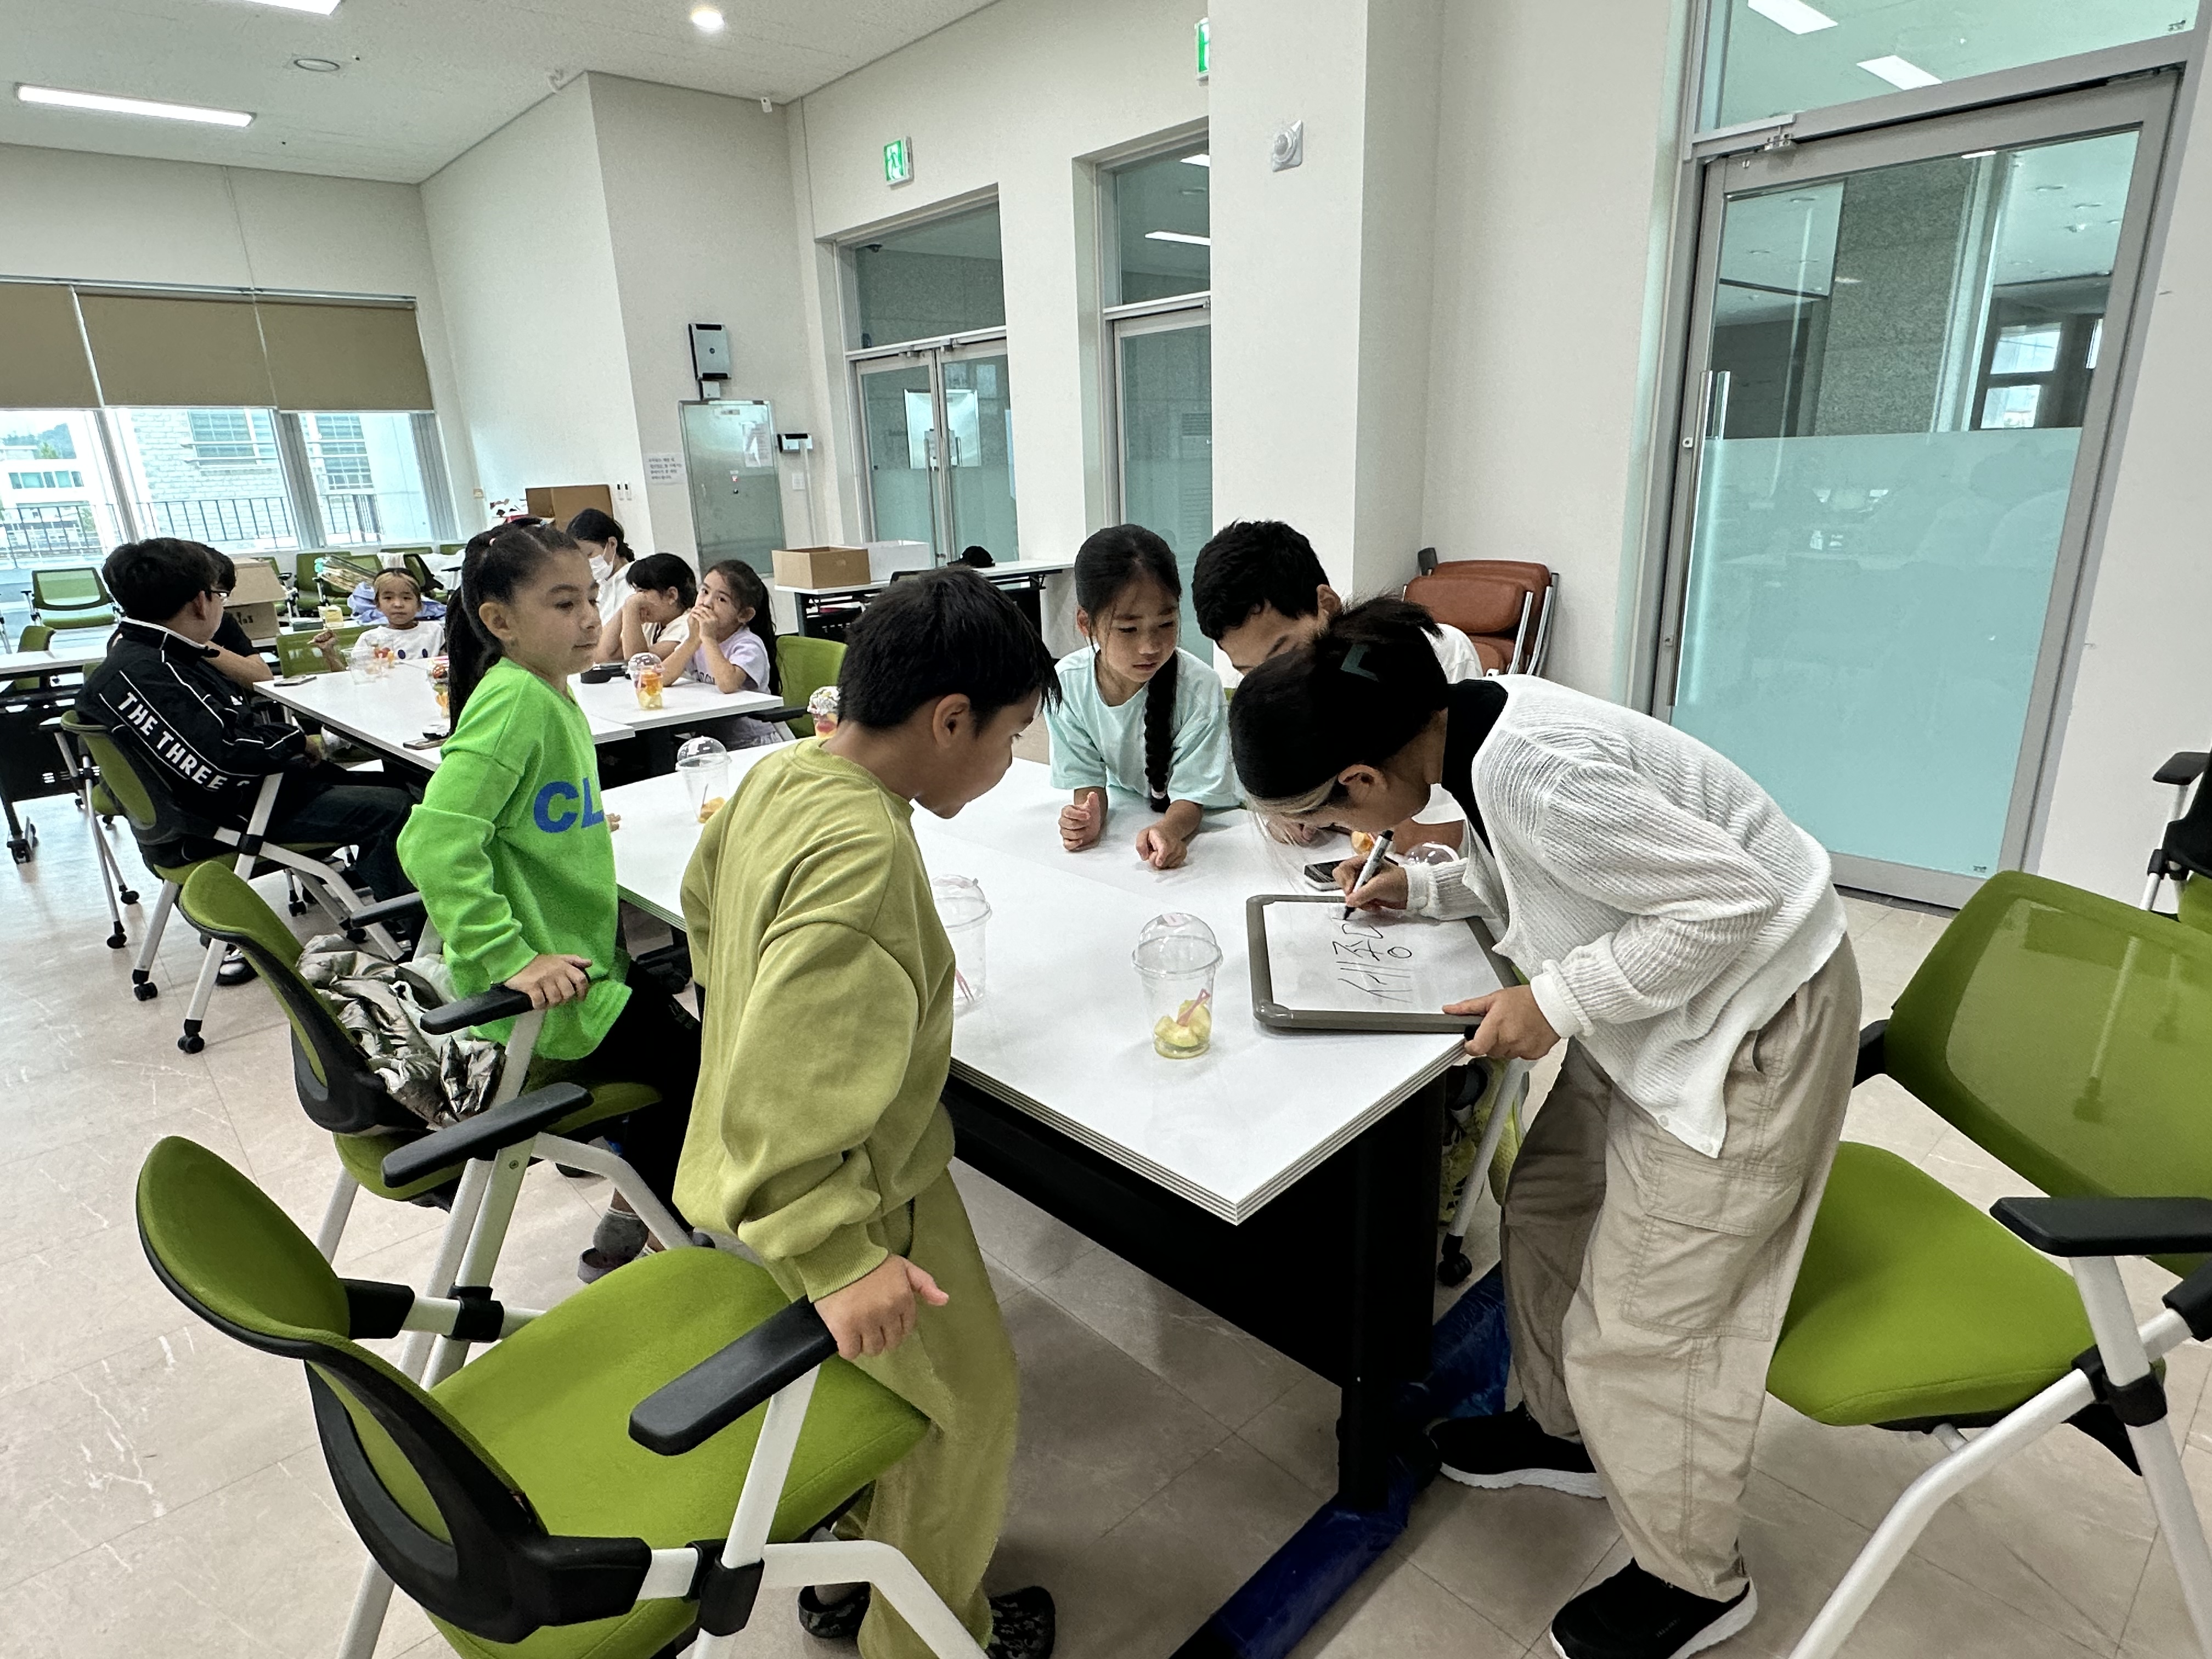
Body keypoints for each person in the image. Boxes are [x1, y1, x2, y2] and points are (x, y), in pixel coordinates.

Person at [1228, 599, 1860, 1659]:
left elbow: (1730, 904)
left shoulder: (1533, 771)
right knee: (1550, 1199)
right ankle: (1557, 1428)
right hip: (1662, 1003)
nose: (1339, 834)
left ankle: (1695, 1580)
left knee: (1646, 1327)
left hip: (1753, 1018)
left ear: (1364, 779)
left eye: (1327, 818)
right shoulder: (1465, 724)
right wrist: (1421, 882)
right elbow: (1531, 868)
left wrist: (1554, 1001)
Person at [675, 567, 1059, 1659]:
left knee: (867, 1392)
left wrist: (790, 1005)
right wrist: (839, 1252)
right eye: (1010, 736)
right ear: (950, 719)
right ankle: (926, 1637)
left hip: (750, 1175)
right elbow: (786, 1073)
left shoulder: (785, 772)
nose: (1008, 760)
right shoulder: (863, 860)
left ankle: (853, 1567)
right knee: (961, 1414)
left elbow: (705, 914)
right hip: (851, 1199)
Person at [396, 522, 701, 1282]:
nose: (590, 619)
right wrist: (512, 957)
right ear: (499, 620)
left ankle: (633, 1211)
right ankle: (663, 1240)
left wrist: (576, 823)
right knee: (700, 1072)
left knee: (684, 1050)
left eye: (592, 599)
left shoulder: (546, 692)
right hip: (549, 990)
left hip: (585, 961)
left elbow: (517, 811)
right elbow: (432, 843)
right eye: (564, 605)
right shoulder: (516, 704)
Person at [77, 538, 414, 915]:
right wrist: (294, 740)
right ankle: (415, 928)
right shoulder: (150, 671)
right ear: (201, 602)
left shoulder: (152, 657)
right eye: (221, 595)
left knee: (400, 787)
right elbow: (222, 760)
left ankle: (392, 903)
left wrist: (287, 744)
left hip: (223, 806)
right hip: (214, 824)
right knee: (396, 807)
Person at [1194, 517, 1482, 849]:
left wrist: (1325, 809)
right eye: (1251, 673)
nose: (1273, 684)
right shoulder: (1278, 708)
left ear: (1327, 607)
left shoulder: (1425, 660)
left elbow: (1443, 834)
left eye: (1284, 655)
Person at [1045, 524, 1238, 870]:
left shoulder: (1198, 687)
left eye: (1166, 624)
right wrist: (1089, 817)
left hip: (1221, 824)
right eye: (1128, 629)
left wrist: (1169, 829)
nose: (1149, 647)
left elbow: (1194, 796)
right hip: (1136, 807)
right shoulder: (1068, 684)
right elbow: (1088, 780)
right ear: (1086, 623)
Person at [659, 558, 787, 748]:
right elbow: (662, 678)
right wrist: (692, 641)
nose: (707, 603)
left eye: (721, 600)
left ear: (744, 615)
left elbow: (728, 684)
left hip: (752, 741)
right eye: (705, 591)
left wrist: (708, 639)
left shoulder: (748, 645)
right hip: (714, 740)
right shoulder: (698, 639)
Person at [315, 568, 444, 670]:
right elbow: (353, 679)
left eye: (406, 598)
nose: (398, 604)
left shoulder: (435, 632)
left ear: (420, 604)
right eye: (388, 598)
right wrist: (328, 652)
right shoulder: (370, 639)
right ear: (378, 604)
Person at [607, 551, 697, 665]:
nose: (637, 598)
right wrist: (625, 608)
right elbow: (605, 655)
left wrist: (631, 609)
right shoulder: (655, 622)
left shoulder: (688, 624)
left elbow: (638, 664)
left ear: (671, 596)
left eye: (642, 592)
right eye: (636, 592)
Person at [202, 552, 272, 687]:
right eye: (219, 595)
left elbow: (263, 677)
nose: (221, 604)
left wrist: (198, 643)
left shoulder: (223, 620)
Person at [567, 507, 635, 632]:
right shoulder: (600, 587)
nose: (586, 564)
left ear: (612, 544)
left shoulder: (636, 583)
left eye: (589, 554)